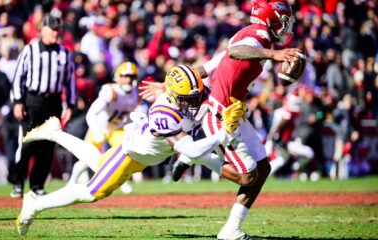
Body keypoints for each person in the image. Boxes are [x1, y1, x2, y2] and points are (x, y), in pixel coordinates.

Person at [15, 65, 246, 236]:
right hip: (132, 153)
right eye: (190, 98)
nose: (196, 100)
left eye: (196, 95)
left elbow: (218, 78)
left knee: (98, 163)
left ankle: (55, 133)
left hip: (147, 155)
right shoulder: (165, 114)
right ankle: (35, 204)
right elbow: (191, 150)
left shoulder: (190, 93)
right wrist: (221, 135)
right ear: (174, 95)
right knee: (93, 192)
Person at [140, 1, 302, 239]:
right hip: (221, 113)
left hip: (234, 110)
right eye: (285, 21)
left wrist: (165, 85)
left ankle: (231, 229)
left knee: (264, 168)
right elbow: (236, 52)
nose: (287, 27)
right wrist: (274, 54)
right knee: (248, 176)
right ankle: (198, 154)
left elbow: (208, 67)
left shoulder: (253, 36)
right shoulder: (256, 35)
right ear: (272, 19)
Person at [8, 14, 76, 198]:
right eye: (53, 29)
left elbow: (70, 81)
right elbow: (18, 78)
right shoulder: (30, 50)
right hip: (32, 101)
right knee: (28, 143)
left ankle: (37, 185)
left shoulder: (65, 53)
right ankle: (18, 182)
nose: (56, 33)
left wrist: (69, 105)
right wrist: (18, 102)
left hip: (53, 102)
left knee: (47, 147)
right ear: (43, 30)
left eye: (58, 30)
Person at [68, 61, 141, 194]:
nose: (128, 80)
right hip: (101, 127)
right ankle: (71, 182)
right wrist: (96, 131)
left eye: (131, 77)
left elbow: (132, 115)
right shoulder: (110, 91)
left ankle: (123, 181)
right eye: (125, 76)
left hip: (117, 129)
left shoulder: (136, 94)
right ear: (117, 77)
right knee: (85, 158)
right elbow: (91, 113)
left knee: (126, 154)